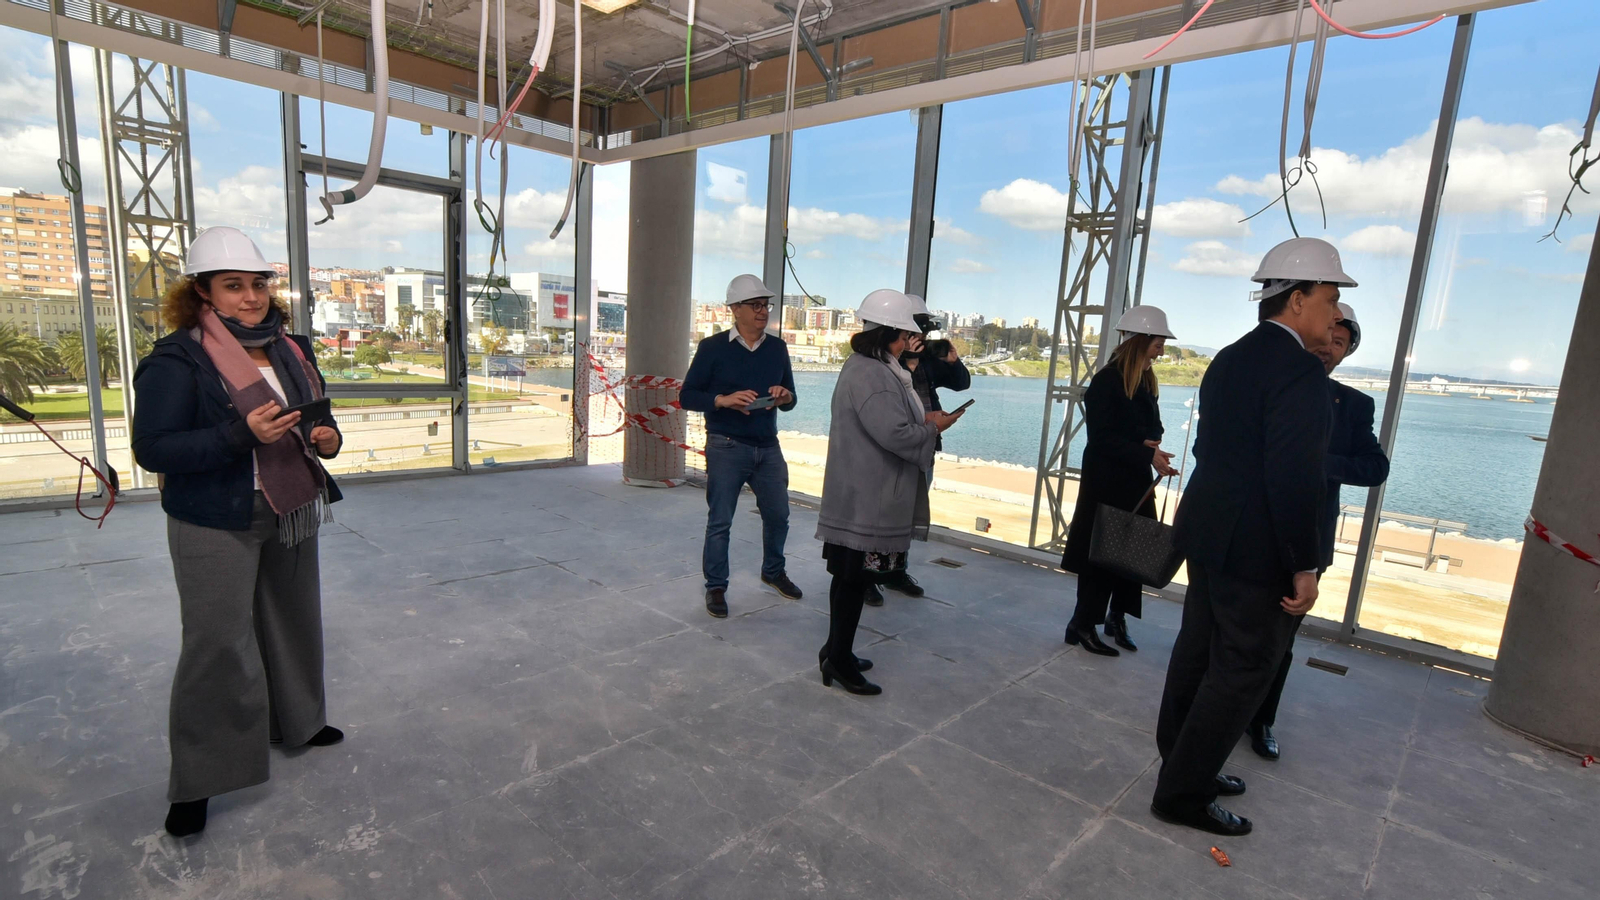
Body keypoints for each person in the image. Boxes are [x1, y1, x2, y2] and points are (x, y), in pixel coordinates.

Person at [131, 226, 345, 838]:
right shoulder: (177, 359)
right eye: (233, 286)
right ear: (201, 293)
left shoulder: (291, 349)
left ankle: (300, 722)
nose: (251, 297)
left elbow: (317, 420)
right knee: (218, 645)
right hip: (213, 516)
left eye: (258, 284)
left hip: (291, 504)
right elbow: (153, 448)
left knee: (295, 623)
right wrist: (240, 434)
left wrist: (328, 440)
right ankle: (200, 779)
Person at [1151, 237, 1355, 837]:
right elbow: (1292, 479)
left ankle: (1182, 763)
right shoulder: (1300, 374)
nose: (1336, 314)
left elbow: (1213, 451)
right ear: (1296, 301)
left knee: (1197, 654)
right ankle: (1182, 793)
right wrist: (1305, 564)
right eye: (1330, 298)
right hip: (1258, 547)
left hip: (1211, 535)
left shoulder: (1230, 358)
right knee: (1242, 669)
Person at [1247, 301, 1389, 759]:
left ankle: (1261, 719)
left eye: (1340, 342)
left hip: (1307, 541)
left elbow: (1374, 467)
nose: (1330, 346)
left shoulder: (1353, 405)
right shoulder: (1268, 385)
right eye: (1328, 335)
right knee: (1231, 633)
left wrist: (1317, 464)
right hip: (1250, 530)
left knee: (1280, 642)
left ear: (1346, 353)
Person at [815, 289, 964, 694]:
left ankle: (835, 650)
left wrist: (925, 418)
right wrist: (933, 427)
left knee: (850, 578)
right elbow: (894, 433)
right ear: (887, 334)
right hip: (868, 498)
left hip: (862, 493)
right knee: (853, 581)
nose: (907, 343)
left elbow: (890, 421)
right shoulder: (873, 373)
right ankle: (839, 659)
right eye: (902, 335)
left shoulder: (871, 367)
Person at [680, 274, 802, 619]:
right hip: (727, 446)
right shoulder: (713, 348)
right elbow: (687, 396)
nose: (763, 311)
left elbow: (791, 398)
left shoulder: (778, 348)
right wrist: (722, 400)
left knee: (779, 515)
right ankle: (716, 587)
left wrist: (784, 395)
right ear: (735, 309)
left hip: (768, 446)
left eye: (766, 305)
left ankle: (773, 571)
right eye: (756, 305)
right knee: (720, 521)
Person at [1060, 307, 1180, 655]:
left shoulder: (1145, 380)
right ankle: (1083, 624)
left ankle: (1116, 618)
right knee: (1101, 555)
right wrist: (1145, 450)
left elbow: (1152, 427)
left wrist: (1148, 446)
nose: (1161, 350)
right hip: (1107, 480)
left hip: (1133, 477)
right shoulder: (1107, 381)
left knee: (1132, 552)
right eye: (1158, 343)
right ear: (1141, 342)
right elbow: (1101, 439)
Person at [873, 297, 971, 605]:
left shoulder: (926, 359)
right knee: (880, 515)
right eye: (914, 331)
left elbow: (961, 384)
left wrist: (953, 361)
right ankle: (866, 577)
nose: (919, 337)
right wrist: (908, 362)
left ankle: (895, 571)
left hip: (924, 445)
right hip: (892, 450)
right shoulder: (882, 361)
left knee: (906, 515)